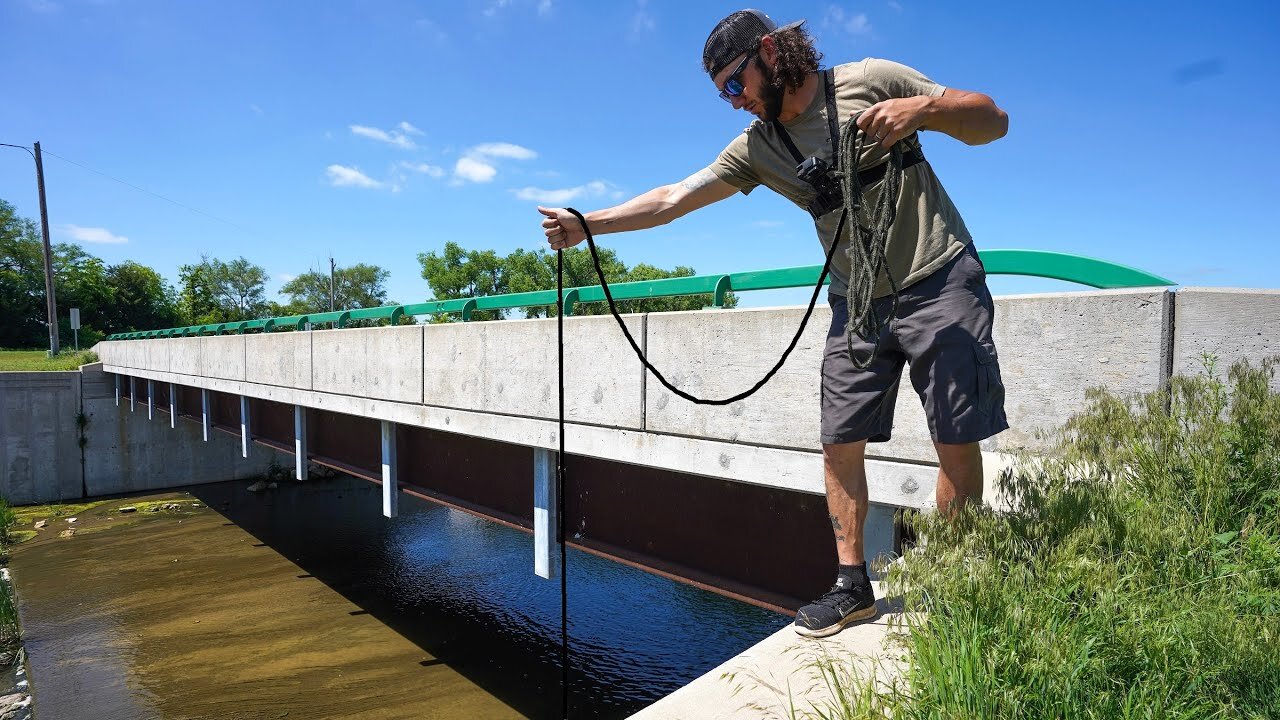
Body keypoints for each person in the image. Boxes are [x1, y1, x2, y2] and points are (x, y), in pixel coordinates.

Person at [537, 9, 1009, 638]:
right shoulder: (759, 146)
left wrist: (922, 112)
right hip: (857, 303)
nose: (733, 104)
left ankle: (953, 583)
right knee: (839, 440)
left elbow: (991, 122)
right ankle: (852, 587)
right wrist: (587, 223)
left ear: (769, 53)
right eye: (721, 95)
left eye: (736, 85)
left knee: (954, 437)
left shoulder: (871, 79)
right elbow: (674, 198)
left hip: (939, 279)